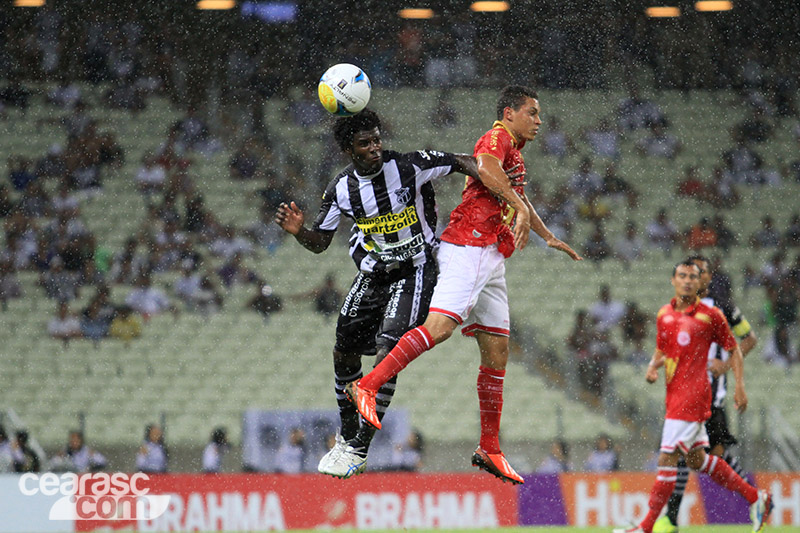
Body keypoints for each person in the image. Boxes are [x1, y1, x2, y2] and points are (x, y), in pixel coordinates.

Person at [343, 86, 582, 485]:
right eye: (532, 112)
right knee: (439, 328)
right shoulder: (496, 137)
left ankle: (490, 447)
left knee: (498, 350)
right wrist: (519, 209)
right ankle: (366, 386)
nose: (539, 121)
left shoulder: (515, 151)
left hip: (492, 253)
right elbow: (484, 168)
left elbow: (516, 195)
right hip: (469, 245)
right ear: (509, 113)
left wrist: (547, 235)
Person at [275, 108, 486, 479]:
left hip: (415, 270)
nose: (374, 147)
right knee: (343, 351)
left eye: (376, 139)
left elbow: (462, 161)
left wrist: (500, 185)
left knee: (389, 351)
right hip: (373, 273)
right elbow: (320, 242)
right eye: (364, 143)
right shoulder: (341, 189)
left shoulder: (409, 166)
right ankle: (346, 436)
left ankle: (360, 446)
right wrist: (298, 232)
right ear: (349, 150)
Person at [613, 260, 771, 533]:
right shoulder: (664, 314)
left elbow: (734, 349)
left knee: (666, 459)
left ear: (700, 283)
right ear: (672, 280)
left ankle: (645, 527)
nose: (687, 280)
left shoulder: (711, 315)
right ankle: (756, 497)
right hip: (674, 396)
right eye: (682, 275)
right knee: (698, 460)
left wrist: (739, 386)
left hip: (694, 397)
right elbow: (663, 347)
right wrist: (652, 366)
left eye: (693, 277)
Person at [654, 255, 758, 533]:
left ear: (708, 277)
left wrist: (726, 366)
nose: (693, 277)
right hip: (684, 395)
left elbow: (748, 339)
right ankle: (756, 498)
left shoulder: (722, 307)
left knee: (694, 455)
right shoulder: (679, 308)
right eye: (688, 273)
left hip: (711, 395)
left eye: (699, 272)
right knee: (696, 456)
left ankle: (666, 519)